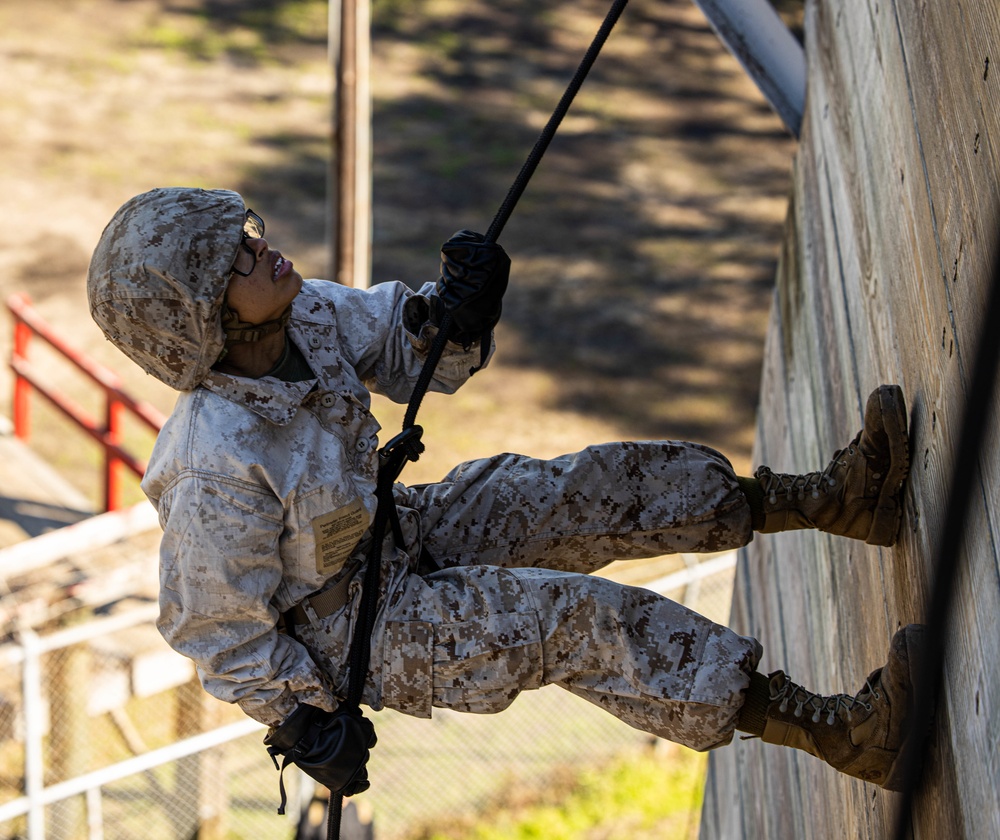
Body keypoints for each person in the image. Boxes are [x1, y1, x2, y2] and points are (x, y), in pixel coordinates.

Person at [88, 186, 927, 800]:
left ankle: (835, 501)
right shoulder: (210, 465)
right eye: (235, 260)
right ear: (203, 320)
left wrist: (451, 314)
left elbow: (410, 351)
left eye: (248, 232)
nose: (261, 247)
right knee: (575, 621)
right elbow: (214, 629)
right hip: (356, 630)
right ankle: (845, 735)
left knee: (584, 490)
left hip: (394, 530)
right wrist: (304, 724)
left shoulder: (302, 316)